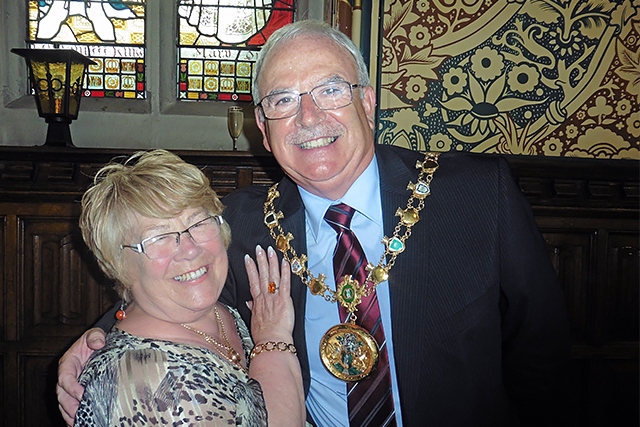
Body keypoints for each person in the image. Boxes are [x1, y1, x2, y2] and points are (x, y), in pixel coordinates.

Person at [58, 20, 570, 426]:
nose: (307, 117)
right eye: (282, 101)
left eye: (329, 90)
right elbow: (167, 280)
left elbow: (542, 353)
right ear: (262, 126)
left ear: (367, 102)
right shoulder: (242, 221)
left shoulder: (475, 193)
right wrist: (97, 342)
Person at [70, 149, 304, 426]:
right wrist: (273, 341)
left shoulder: (220, 311)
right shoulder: (151, 381)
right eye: (158, 238)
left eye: (199, 222)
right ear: (119, 264)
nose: (190, 250)